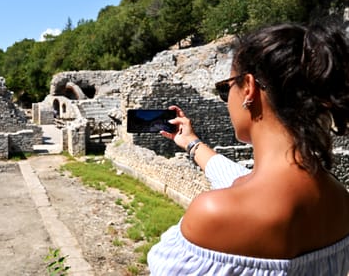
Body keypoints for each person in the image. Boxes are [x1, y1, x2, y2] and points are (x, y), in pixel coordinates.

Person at [147, 23, 349, 275]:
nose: (226, 98)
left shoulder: (212, 215)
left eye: (225, 88)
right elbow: (241, 179)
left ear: (249, 88)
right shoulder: (339, 200)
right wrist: (192, 143)